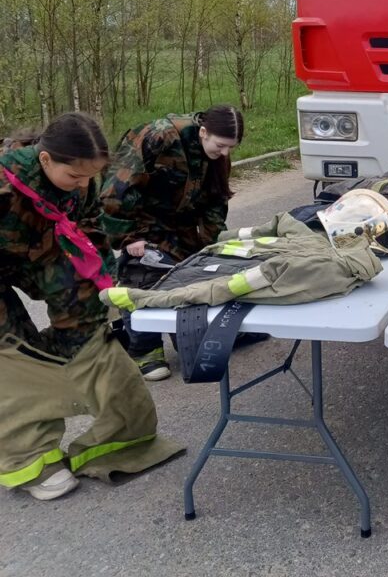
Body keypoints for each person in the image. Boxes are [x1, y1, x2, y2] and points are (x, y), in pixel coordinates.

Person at [0, 113, 182, 501]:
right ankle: (30, 460)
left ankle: (119, 436)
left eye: (90, 177)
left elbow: (89, 230)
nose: (84, 184)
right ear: (46, 159)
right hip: (12, 254)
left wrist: (107, 286)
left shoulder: (80, 178)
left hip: (39, 251)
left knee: (89, 323)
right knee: (13, 354)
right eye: (75, 176)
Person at [99, 106, 245, 381]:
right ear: (204, 132)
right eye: (221, 145)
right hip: (142, 221)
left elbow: (216, 199)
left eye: (231, 148)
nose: (225, 153)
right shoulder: (160, 136)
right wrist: (129, 236)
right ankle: (145, 349)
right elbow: (116, 190)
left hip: (182, 222)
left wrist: (211, 243)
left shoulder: (217, 154)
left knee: (193, 275)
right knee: (142, 274)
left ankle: (190, 335)